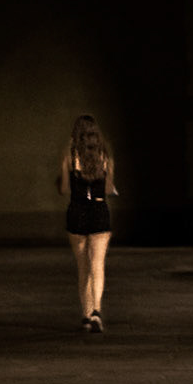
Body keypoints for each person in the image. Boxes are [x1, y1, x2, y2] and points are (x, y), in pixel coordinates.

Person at [57, 113, 118, 331]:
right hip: (99, 210)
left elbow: (64, 189)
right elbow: (108, 189)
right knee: (98, 265)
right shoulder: (105, 156)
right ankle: (97, 312)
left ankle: (85, 314)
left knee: (83, 267)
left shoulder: (70, 155)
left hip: (77, 210)